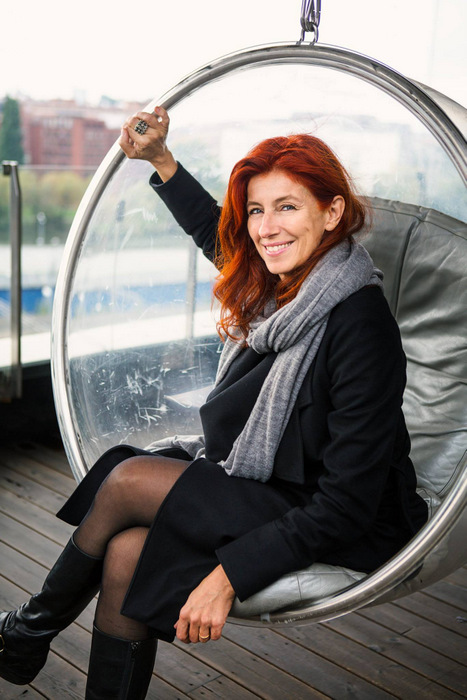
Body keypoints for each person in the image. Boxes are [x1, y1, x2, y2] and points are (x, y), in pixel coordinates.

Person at [0, 107, 428, 699]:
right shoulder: (279, 288)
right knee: (126, 550)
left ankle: (26, 632)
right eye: (256, 210)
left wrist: (229, 576)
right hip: (272, 483)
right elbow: (215, 233)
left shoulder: (360, 325)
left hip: (340, 514)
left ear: (332, 213)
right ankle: (28, 637)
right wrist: (162, 161)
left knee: (127, 480)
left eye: (287, 207)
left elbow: (347, 504)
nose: (266, 228)